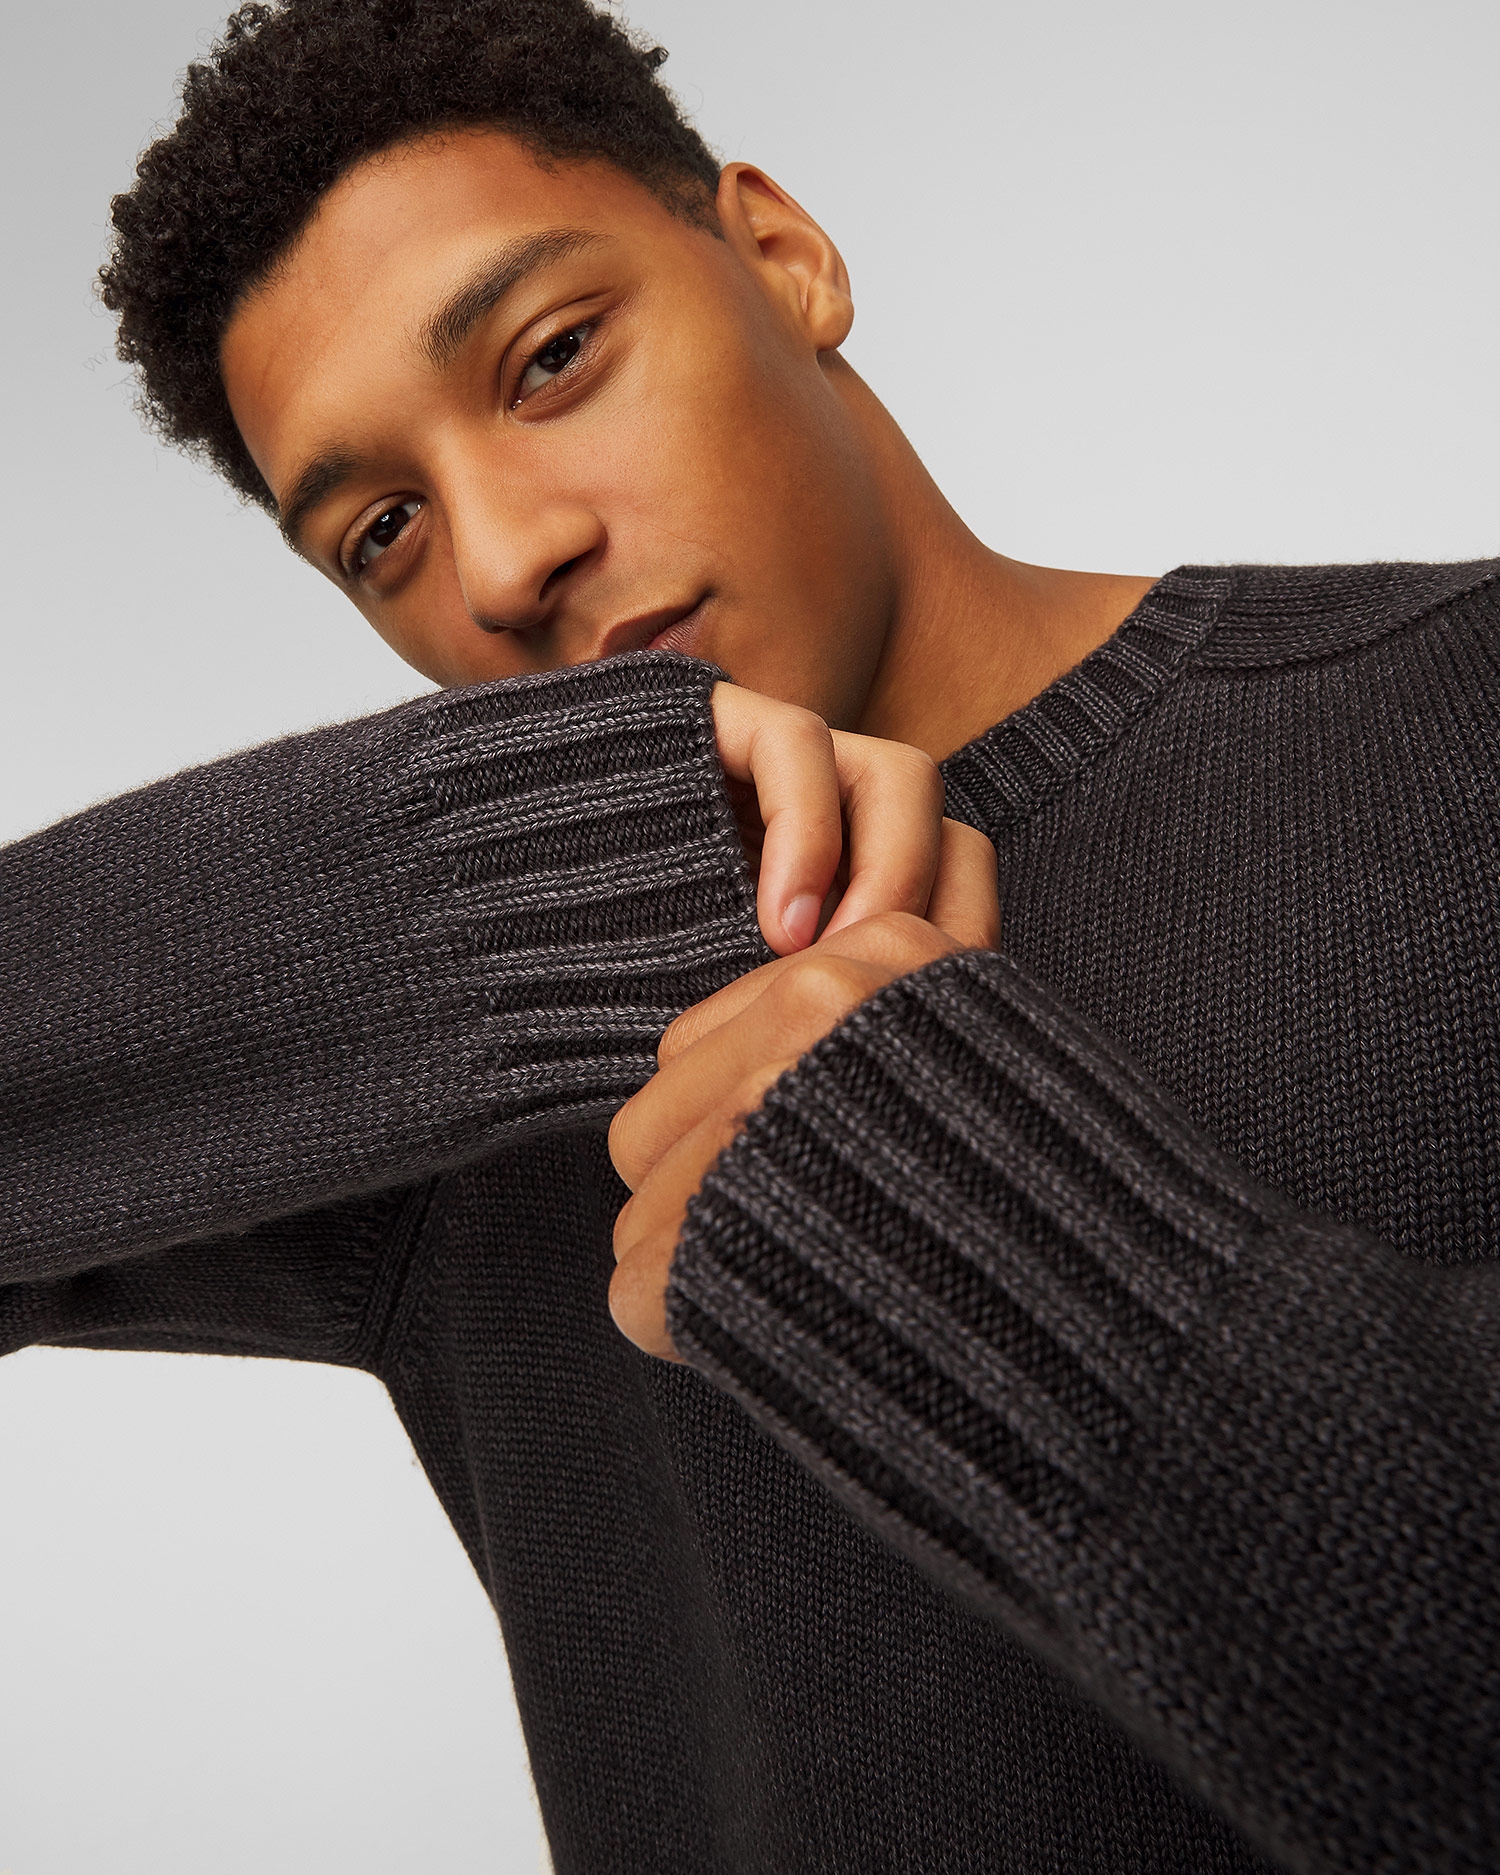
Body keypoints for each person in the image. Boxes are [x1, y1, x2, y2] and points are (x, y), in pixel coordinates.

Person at [4, 0, 1496, 1869]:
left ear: (784, 257)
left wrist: (951, 1222)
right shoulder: (453, 1077)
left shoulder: (1461, 715)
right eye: (382, 531)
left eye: (551, 359)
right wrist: (519, 860)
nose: (501, 561)